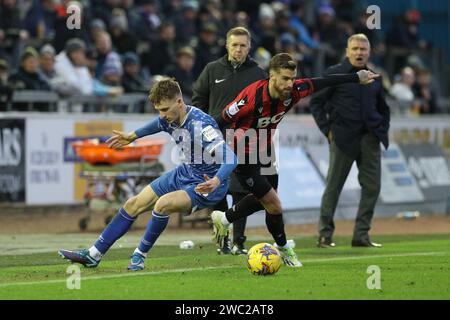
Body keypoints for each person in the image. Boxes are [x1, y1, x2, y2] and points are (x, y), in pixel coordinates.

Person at [211, 52, 378, 267]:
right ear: (271, 76)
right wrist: (206, 143)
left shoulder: (296, 90)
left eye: (292, 78)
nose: (290, 83)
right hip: (241, 154)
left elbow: (324, 81)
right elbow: (220, 119)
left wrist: (356, 78)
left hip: (266, 150)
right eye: (285, 78)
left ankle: (223, 219)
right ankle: (284, 250)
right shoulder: (250, 98)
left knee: (268, 203)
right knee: (275, 205)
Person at [58, 78, 237, 270]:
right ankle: (93, 254)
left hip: (207, 183)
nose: (162, 115)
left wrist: (217, 180)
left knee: (162, 205)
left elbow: (232, 158)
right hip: (187, 171)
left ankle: (139, 256)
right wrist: (133, 136)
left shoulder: (201, 126)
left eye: (165, 109)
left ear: (179, 102)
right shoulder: (170, 117)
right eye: (159, 110)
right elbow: (157, 124)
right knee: (132, 204)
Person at [309, 34, 390, 249]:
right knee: (333, 187)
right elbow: (315, 103)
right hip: (343, 138)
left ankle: (361, 236)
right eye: (355, 48)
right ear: (347, 51)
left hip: (370, 138)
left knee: (372, 187)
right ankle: (325, 235)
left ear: (369, 52)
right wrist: (327, 131)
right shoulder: (334, 74)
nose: (359, 52)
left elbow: (383, 107)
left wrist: (382, 128)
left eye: (363, 49)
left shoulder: (375, 76)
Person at [192, 26, 267, 255]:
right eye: (234, 45)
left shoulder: (258, 74)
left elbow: (265, 108)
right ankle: (223, 241)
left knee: (243, 190)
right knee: (216, 189)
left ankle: (239, 241)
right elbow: (198, 101)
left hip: (247, 140)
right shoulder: (212, 69)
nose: (238, 49)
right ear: (226, 45)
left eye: (243, 45)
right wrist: (203, 130)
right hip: (215, 141)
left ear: (249, 47)